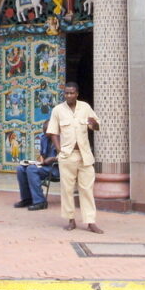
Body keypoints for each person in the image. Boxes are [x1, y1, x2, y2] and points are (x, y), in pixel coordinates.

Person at [46, 82, 103, 234]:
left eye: (71, 93)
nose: (69, 95)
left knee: (87, 189)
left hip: (84, 155)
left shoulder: (85, 107)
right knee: (67, 189)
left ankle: (90, 221)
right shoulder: (58, 110)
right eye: (66, 93)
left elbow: (96, 127)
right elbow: (53, 132)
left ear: (77, 93)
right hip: (67, 155)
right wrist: (60, 150)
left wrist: (93, 123)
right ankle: (71, 220)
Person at [14, 120, 59, 211]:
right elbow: (42, 154)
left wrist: (52, 159)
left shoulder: (62, 139)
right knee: (20, 168)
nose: (45, 133)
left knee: (31, 170)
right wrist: (40, 160)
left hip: (56, 168)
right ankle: (27, 199)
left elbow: (66, 155)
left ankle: (40, 201)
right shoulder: (44, 138)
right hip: (45, 166)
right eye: (44, 131)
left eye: (47, 131)